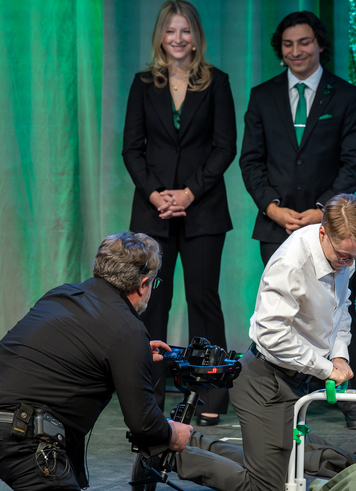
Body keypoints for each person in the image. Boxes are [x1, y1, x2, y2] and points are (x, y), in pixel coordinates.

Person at [0, 232, 193, 491]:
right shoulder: (126, 330)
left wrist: (134, 354)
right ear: (143, 284)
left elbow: (69, 352)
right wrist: (173, 432)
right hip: (11, 433)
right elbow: (144, 424)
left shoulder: (65, 294)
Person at [170, 194, 356, 491]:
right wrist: (324, 368)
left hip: (296, 376)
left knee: (295, 462)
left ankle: (187, 442)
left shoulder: (341, 252)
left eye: (354, 257)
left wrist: (338, 354)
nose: (348, 262)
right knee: (265, 490)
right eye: (343, 255)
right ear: (323, 232)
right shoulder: (292, 262)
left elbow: (341, 309)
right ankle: (163, 454)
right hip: (264, 382)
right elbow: (272, 336)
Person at [239, 11, 356, 429]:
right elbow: (250, 161)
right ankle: (288, 394)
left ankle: (351, 396)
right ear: (281, 51)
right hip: (275, 222)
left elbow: (353, 163)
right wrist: (272, 207)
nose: (296, 51)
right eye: (288, 44)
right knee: (285, 309)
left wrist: (322, 212)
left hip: (331, 220)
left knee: (337, 307)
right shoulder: (262, 96)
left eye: (305, 42)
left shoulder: (346, 96)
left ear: (319, 45)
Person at [122, 0, 237, 425]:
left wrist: (189, 193)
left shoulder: (217, 82)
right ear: (160, 36)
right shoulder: (142, 83)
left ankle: (210, 397)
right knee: (152, 304)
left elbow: (226, 146)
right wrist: (156, 195)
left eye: (185, 31)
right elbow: (131, 149)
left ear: (196, 36)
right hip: (152, 214)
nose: (177, 39)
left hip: (203, 209)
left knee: (203, 301)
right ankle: (148, 397)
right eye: (170, 31)